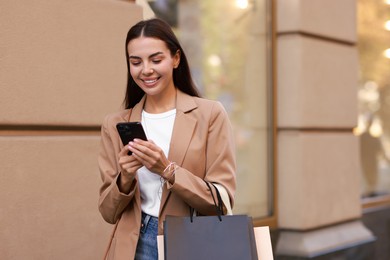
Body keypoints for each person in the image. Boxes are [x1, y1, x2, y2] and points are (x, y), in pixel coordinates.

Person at [98, 18, 236, 260]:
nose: (146, 70)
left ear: (176, 58)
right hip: (133, 247)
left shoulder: (210, 114)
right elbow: (108, 212)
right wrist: (126, 179)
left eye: (156, 59)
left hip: (191, 243)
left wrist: (168, 170)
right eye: (136, 62)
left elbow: (221, 202)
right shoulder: (116, 124)